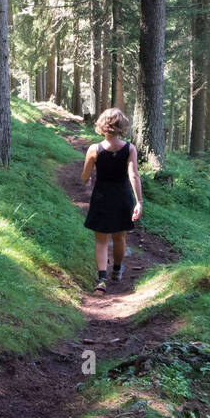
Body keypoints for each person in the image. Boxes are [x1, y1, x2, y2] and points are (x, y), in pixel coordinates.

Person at [80, 108, 142, 293]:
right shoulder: (129, 148)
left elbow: (85, 176)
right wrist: (139, 201)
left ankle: (102, 279)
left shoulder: (94, 149)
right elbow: (134, 176)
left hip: (101, 196)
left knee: (100, 240)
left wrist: (88, 179)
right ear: (122, 126)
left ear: (102, 125)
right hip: (122, 196)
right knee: (119, 237)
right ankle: (116, 270)